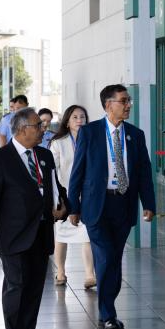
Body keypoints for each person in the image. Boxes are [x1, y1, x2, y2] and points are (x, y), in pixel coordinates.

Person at [0, 107, 67, 329]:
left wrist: (65, 206)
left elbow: (55, 188)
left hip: (41, 233)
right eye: (38, 126)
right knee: (16, 288)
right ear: (22, 129)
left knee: (35, 288)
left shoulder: (44, 155)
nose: (43, 130)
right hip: (14, 237)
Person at [68, 84, 156, 329]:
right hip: (97, 204)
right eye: (124, 101)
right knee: (106, 256)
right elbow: (78, 170)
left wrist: (148, 203)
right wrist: (73, 206)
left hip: (123, 203)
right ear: (109, 105)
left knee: (114, 259)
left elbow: (144, 172)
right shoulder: (90, 132)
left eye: (129, 101)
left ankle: (108, 309)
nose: (128, 105)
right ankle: (108, 313)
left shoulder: (136, 134)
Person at [48, 105, 97, 289]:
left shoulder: (93, 140)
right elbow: (52, 171)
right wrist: (56, 197)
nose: (79, 120)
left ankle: (89, 274)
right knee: (61, 235)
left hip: (88, 195)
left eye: (82, 117)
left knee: (87, 235)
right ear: (67, 122)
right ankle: (60, 272)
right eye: (75, 117)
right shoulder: (58, 142)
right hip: (65, 195)